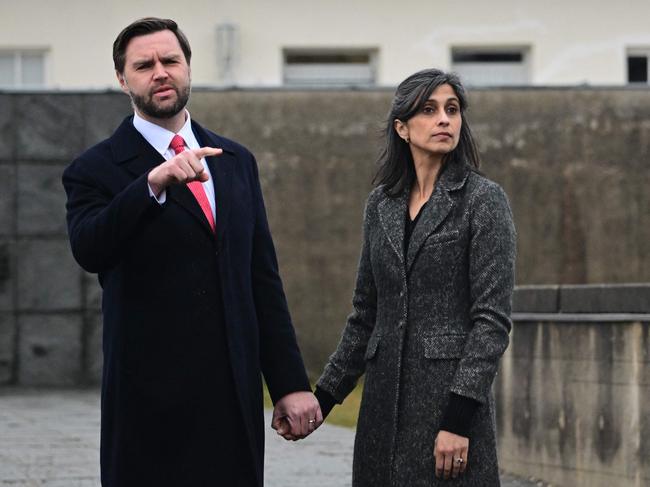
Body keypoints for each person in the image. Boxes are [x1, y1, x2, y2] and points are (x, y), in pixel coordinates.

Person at [62, 17, 321, 487]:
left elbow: (261, 279)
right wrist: (152, 184)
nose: (160, 72)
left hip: (231, 396)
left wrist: (289, 383)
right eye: (144, 65)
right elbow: (90, 248)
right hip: (148, 402)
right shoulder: (95, 168)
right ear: (123, 80)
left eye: (170, 60)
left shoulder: (236, 160)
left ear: (187, 67)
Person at [314, 69, 516, 486]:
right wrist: (322, 401)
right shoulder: (380, 205)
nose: (444, 119)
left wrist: (457, 420)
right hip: (381, 417)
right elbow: (365, 315)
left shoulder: (483, 201)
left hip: (448, 413)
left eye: (452, 109)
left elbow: (491, 322)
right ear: (402, 128)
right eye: (429, 110)